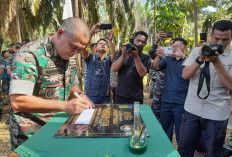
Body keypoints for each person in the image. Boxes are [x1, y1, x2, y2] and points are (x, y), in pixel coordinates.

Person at [9, 17, 94, 150]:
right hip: (31, 133)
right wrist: (64, 106)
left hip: (60, 127)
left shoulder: (69, 56)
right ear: (60, 33)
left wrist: (80, 94)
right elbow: (18, 101)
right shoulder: (29, 54)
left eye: (80, 50)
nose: (76, 54)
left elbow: (72, 85)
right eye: (74, 47)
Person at [178, 20, 232, 157]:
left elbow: (230, 86)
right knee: (185, 147)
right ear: (210, 35)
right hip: (192, 108)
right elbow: (185, 75)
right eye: (217, 38)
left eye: (225, 39)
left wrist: (216, 62)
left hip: (217, 113)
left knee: (214, 151)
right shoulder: (197, 51)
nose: (220, 42)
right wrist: (200, 59)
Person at [152, 38, 189, 144]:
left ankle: (180, 152)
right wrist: (158, 56)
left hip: (181, 102)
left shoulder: (189, 59)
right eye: (174, 45)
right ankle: (166, 151)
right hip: (166, 101)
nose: (175, 47)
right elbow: (155, 67)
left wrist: (182, 57)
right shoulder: (168, 59)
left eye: (179, 45)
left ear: (184, 48)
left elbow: (193, 69)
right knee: (165, 130)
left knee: (180, 132)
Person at [111, 31, 151, 104]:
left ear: (145, 44)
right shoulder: (121, 52)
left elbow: (142, 73)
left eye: (143, 42)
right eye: (138, 40)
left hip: (136, 96)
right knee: (120, 115)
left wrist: (136, 57)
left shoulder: (146, 57)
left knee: (136, 115)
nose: (140, 43)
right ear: (133, 40)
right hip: (121, 95)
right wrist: (123, 56)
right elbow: (114, 69)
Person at [82, 24, 117, 104]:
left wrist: (111, 41)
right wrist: (92, 32)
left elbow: (115, 54)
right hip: (91, 96)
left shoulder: (108, 60)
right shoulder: (90, 58)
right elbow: (83, 47)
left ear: (107, 49)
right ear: (95, 48)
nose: (103, 44)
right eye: (100, 43)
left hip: (105, 97)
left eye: (105, 44)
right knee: (91, 116)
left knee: (105, 116)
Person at [150, 39, 174, 120]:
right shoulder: (163, 56)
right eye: (170, 44)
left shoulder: (181, 59)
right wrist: (156, 41)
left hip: (171, 92)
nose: (171, 46)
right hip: (159, 89)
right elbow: (151, 53)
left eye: (174, 45)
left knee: (167, 116)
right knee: (155, 111)